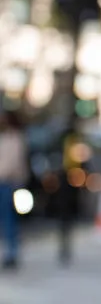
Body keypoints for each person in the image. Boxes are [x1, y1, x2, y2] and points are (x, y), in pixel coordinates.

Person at [0, 110, 28, 270]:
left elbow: (12, 163)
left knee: (9, 219)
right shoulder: (4, 138)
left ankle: (12, 253)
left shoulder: (15, 138)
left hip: (9, 183)